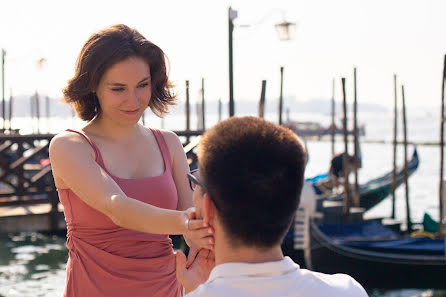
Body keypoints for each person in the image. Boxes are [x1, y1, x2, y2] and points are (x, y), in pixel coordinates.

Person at [49, 24, 213, 297]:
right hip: (94, 287)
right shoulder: (70, 146)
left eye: (142, 85)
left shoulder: (169, 143)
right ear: (93, 88)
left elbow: (191, 216)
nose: (134, 100)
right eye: (118, 89)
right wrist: (186, 223)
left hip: (166, 285)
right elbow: (118, 208)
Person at [175, 116, 368, 297]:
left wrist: (197, 290)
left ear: (209, 209)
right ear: (292, 205)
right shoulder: (348, 291)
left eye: (196, 181)